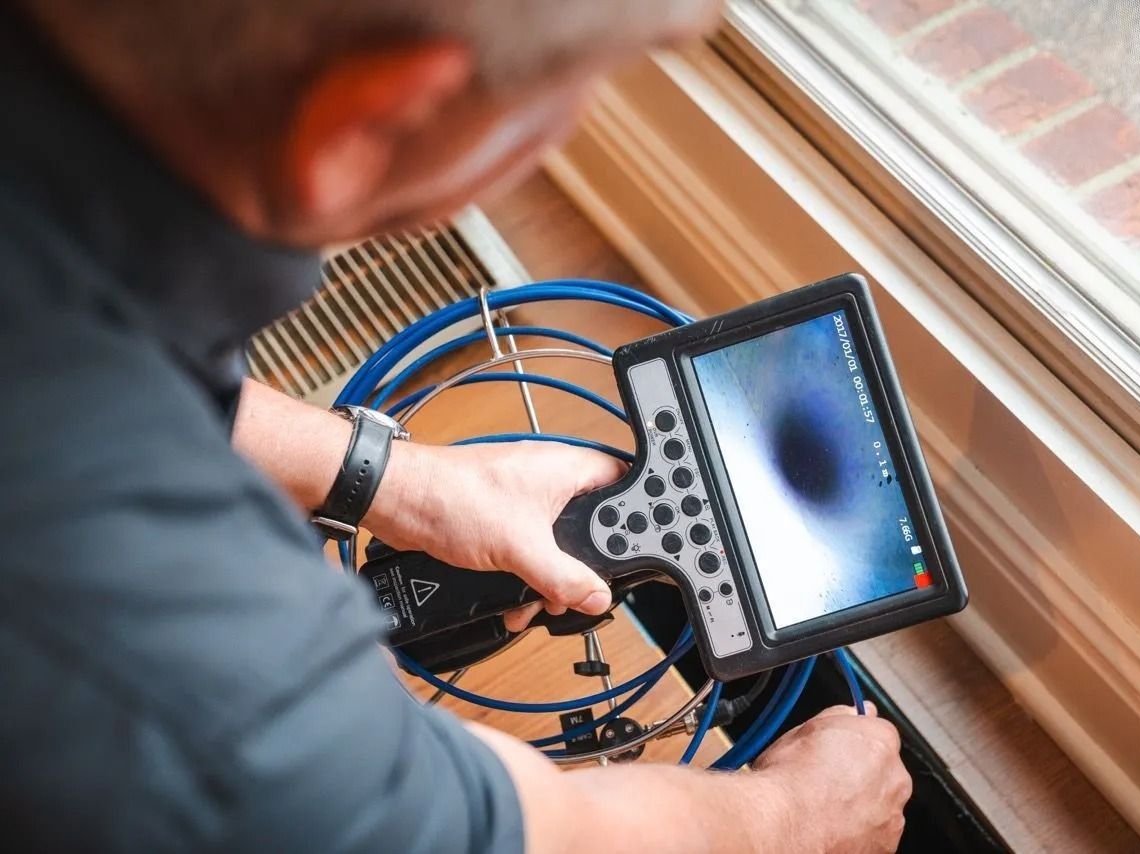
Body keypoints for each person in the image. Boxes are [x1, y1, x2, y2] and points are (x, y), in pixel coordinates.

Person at [0, 0, 912, 851]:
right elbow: (497, 828)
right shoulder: (203, 674)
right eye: (571, 95)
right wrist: (794, 815)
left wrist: (398, 478)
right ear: (369, 124)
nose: (570, 126)